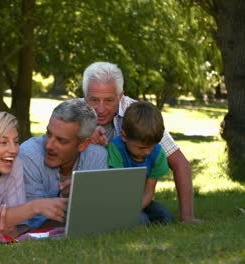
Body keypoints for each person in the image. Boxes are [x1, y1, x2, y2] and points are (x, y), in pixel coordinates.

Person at [82, 61, 200, 223]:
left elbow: (180, 163)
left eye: (109, 100)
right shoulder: (73, 114)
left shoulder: (139, 115)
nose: (101, 109)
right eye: (94, 100)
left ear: (120, 96)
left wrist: (187, 218)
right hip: (90, 195)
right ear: (84, 96)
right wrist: (84, 136)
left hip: (130, 195)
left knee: (160, 218)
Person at [19, 99, 108, 230]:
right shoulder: (28, 155)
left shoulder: (97, 157)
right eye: (48, 134)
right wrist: (80, 203)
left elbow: (102, 212)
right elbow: (35, 222)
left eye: (61, 140)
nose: (49, 145)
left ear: (83, 144)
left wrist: (81, 194)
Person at [107, 101, 174, 224]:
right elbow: (116, 188)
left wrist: (135, 209)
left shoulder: (158, 153)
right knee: (142, 221)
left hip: (141, 199)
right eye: (142, 148)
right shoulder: (115, 148)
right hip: (117, 200)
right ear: (124, 136)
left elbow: (149, 191)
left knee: (167, 218)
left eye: (152, 147)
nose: (148, 152)